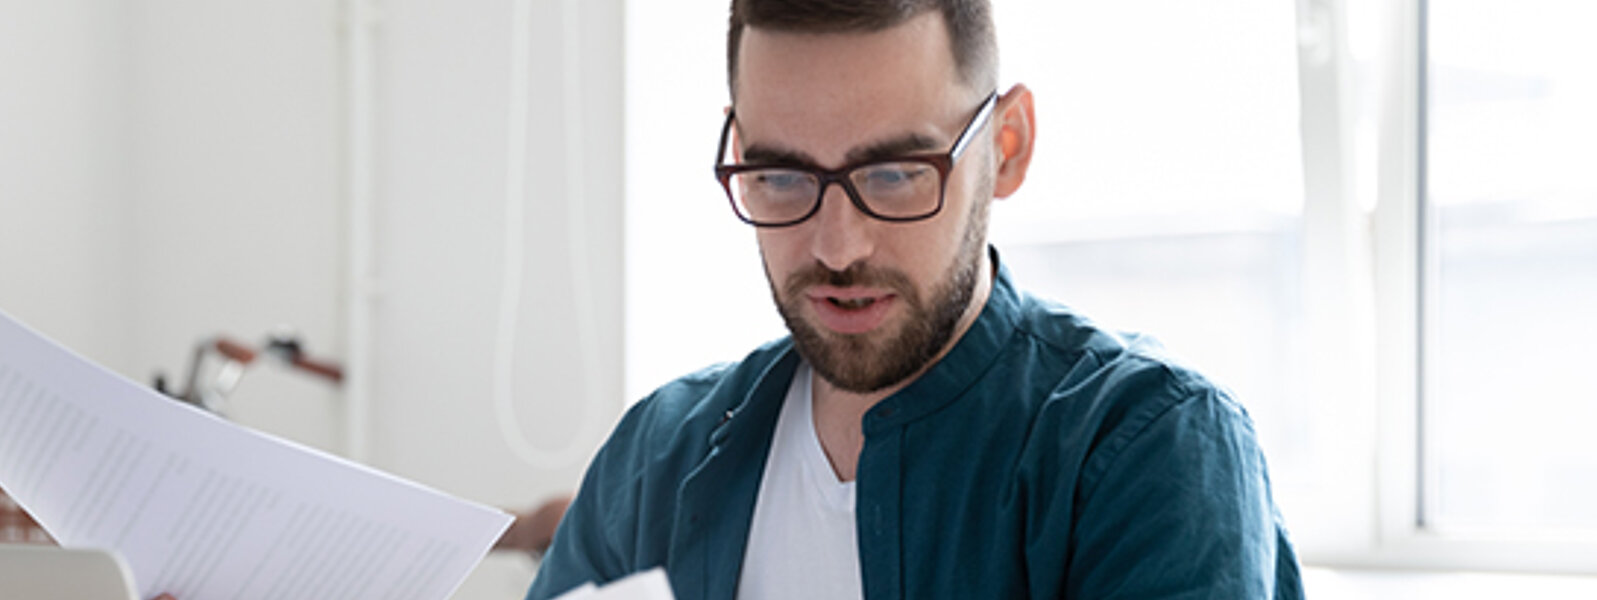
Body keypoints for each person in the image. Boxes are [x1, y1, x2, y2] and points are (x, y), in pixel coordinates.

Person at [525, 1, 1303, 599]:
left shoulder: (1147, 445)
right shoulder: (655, 457)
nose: (838, 246)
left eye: (894, 174)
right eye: (783, 177)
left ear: (1006, 147)